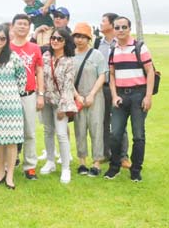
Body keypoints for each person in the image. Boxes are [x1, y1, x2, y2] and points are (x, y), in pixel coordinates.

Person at [104, 17, 155, 182]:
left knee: (138, 135)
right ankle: (114, 167)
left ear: (129, 29)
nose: (120, 30)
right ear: (114, 29)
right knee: (115, 134)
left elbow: (150, 72)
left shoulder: (139, 47)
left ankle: (136, 170)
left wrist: (148, 96)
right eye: (117, 27)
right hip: (120, 95)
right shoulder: (113, 50)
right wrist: (114, 95)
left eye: (124, 27)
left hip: (138, 95)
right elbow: (112, 74)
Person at [0, 24, 26, 190]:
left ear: (7, 40)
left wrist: (14, 92)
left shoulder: (13, 57)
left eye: (3, 38)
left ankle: (10, 175)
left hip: (12, 104)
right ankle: (0, 172)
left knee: (12, 141)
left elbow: (22, 77)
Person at [40, 28, 78, 184]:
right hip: (46, 100)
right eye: (53, 38)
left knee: (61, 134)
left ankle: (65, 168)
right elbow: (40, 77)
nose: (55, 41)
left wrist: (63, 107)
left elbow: (68, 86)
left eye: (59, 39)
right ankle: (50, 161)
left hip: (61, 101)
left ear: (65, 42)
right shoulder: (45, 56)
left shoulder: (69, 61)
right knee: (48, 131)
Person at [10, 14, 45, 180]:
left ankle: (30, 166)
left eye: (25, 24)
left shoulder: (34, 48)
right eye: (19, 24)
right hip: (9, 96)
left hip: (29, 94)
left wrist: (40, 94)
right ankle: (8, 165)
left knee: (30, 132)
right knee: (10, 133)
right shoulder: (7, 47)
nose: (22, 26)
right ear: (13, 26)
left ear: (29, 27)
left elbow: (39, 71)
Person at [71, 23, 106, 177]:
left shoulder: (96, 54)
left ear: (89, 38)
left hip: (95, 96)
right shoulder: (70, 55)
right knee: (80, 129)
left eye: (83, 37)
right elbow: (67, 79)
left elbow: (102, 75)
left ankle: (97, 162)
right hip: (77, 97)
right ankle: (82, 162)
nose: (79, 40)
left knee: (96, 128)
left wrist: (92, 94)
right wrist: (77, 96)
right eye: (77, 36)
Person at [96, 12, 130, 167]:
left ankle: (123, 156)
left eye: (103, 21)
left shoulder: (121, 43)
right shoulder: (98, 43)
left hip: (118, 88)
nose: (101, 24)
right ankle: (105, 153)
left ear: (111, 24)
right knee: (103, 122)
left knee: (119, 122)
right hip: (102, 88)